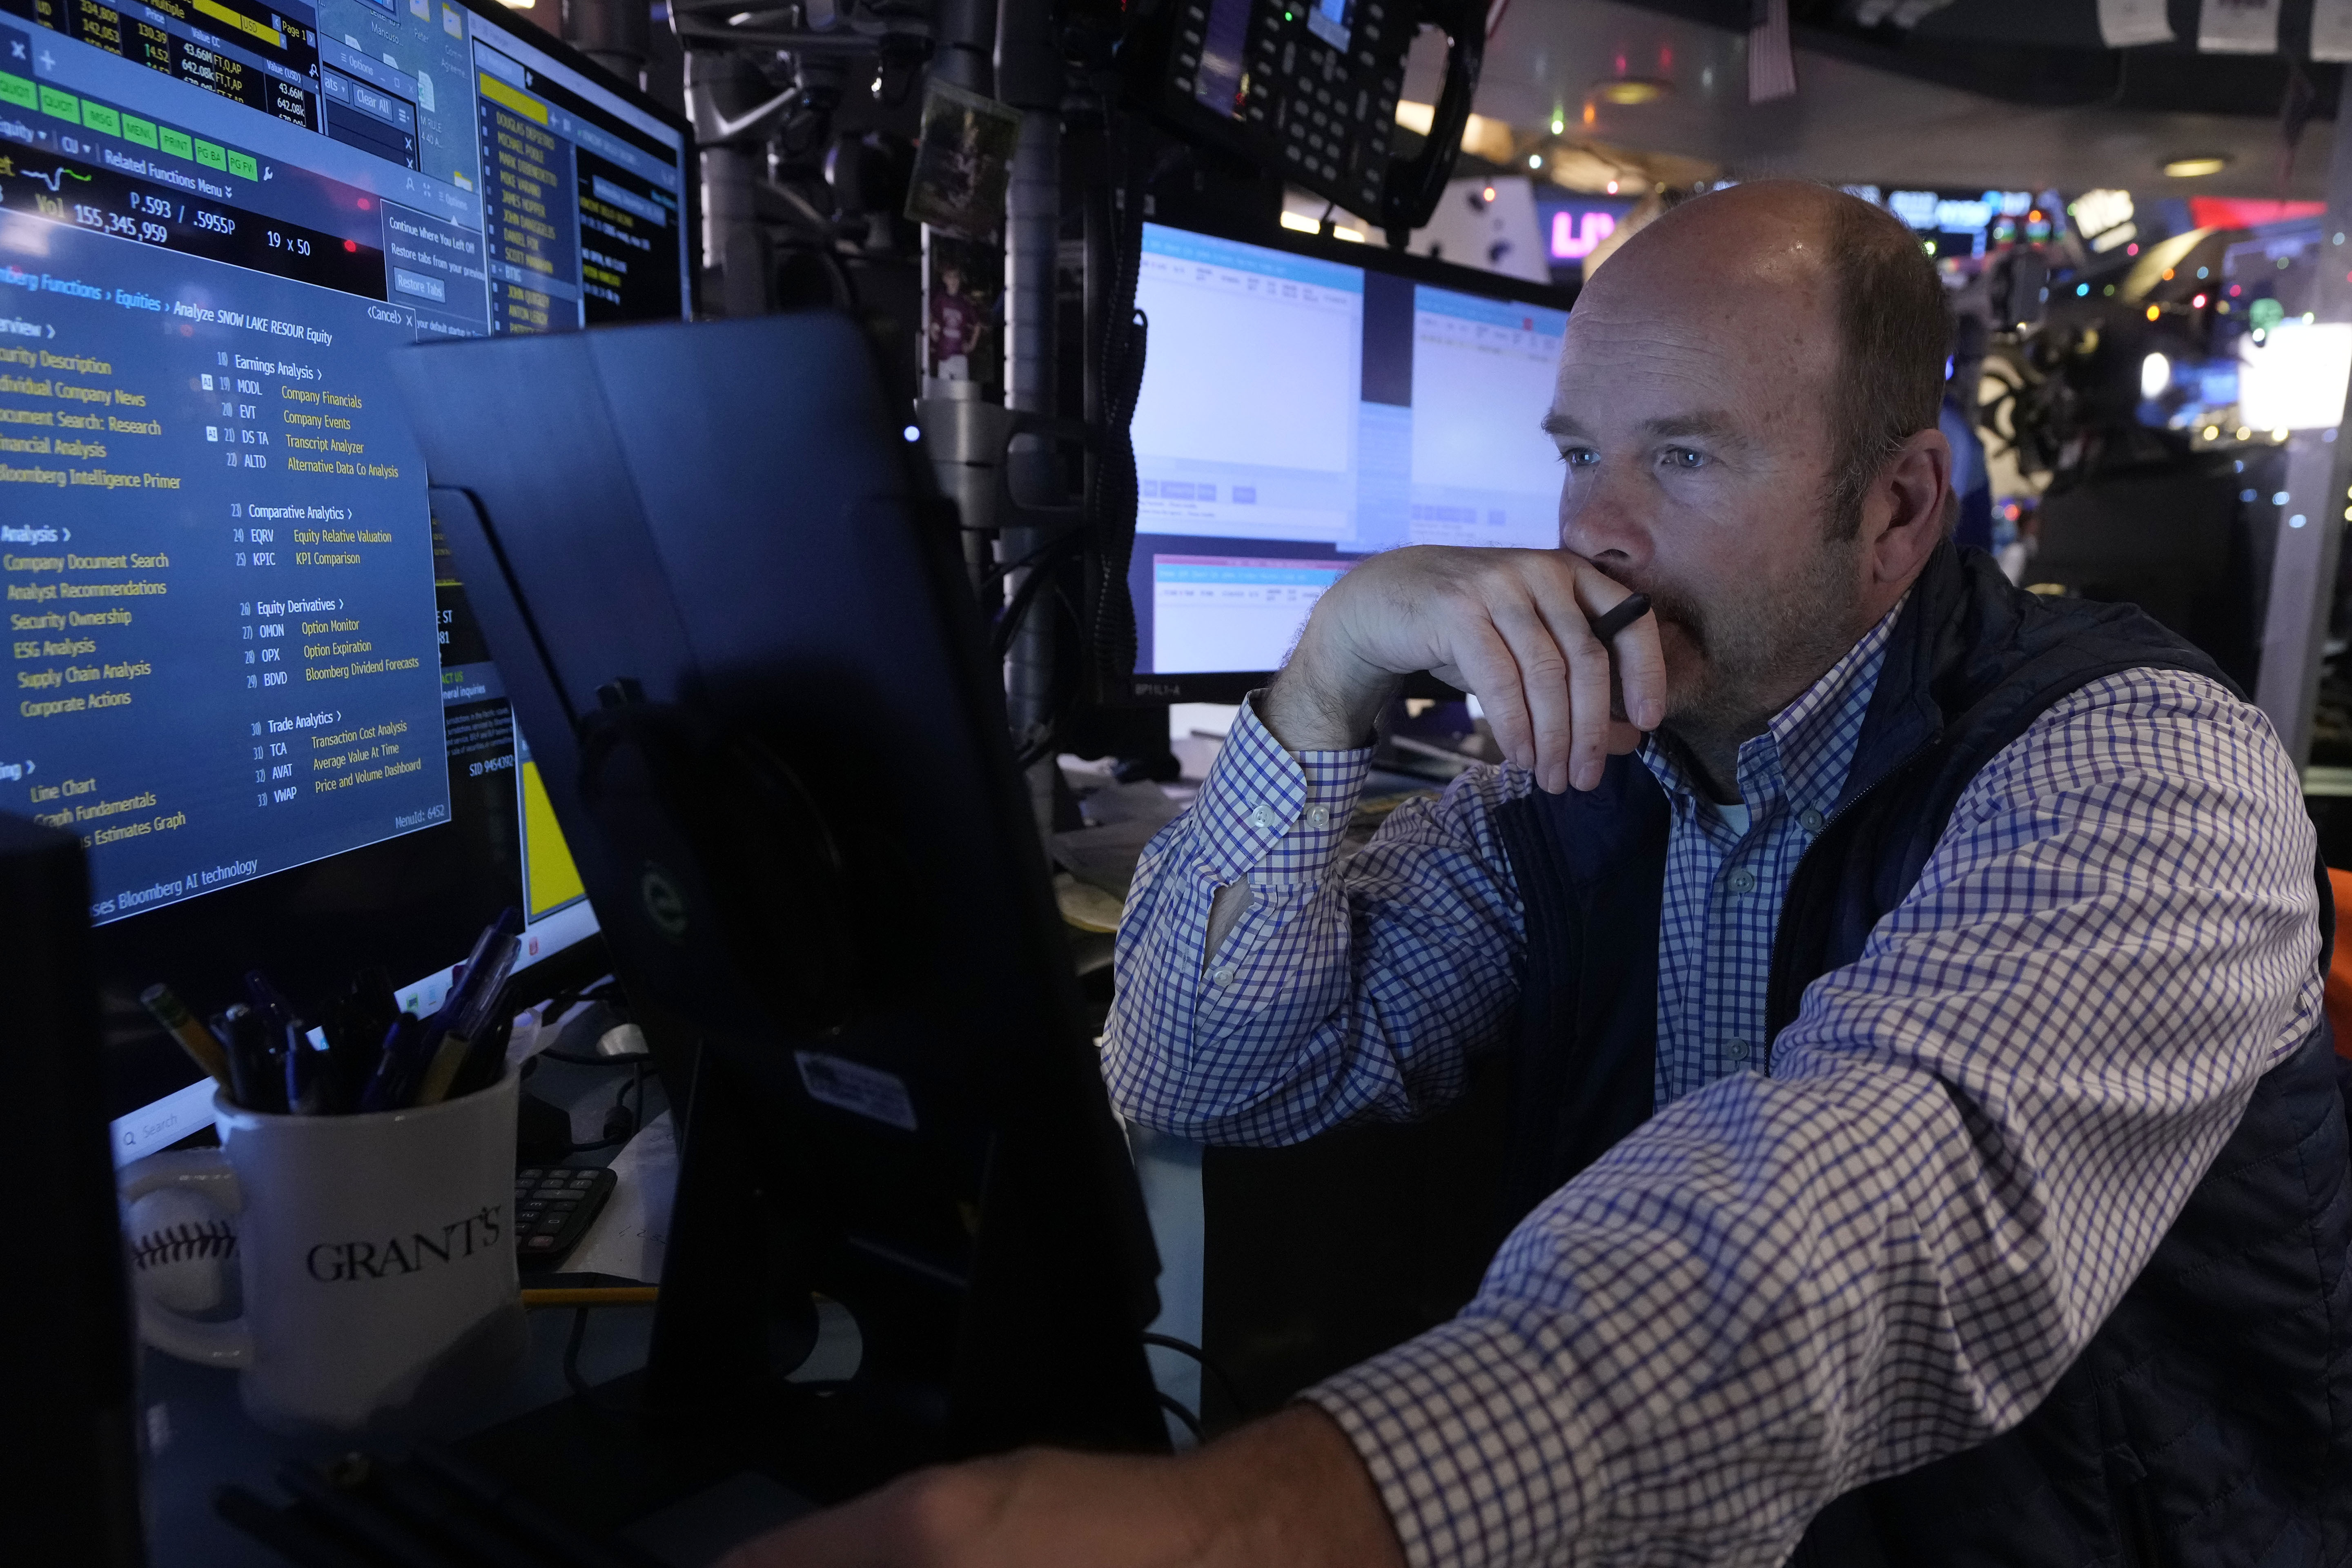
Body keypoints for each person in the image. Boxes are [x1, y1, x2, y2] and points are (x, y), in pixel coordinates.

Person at [725, 181, 2350, 1566]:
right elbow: (1197, 1071)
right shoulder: (1597, 765)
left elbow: (1860, 1231)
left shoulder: (2142, 773)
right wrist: (1337, 664)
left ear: (1900, 506)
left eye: (1687, 461)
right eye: (1581, 455)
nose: (1598, 532)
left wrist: (1255, 1525)